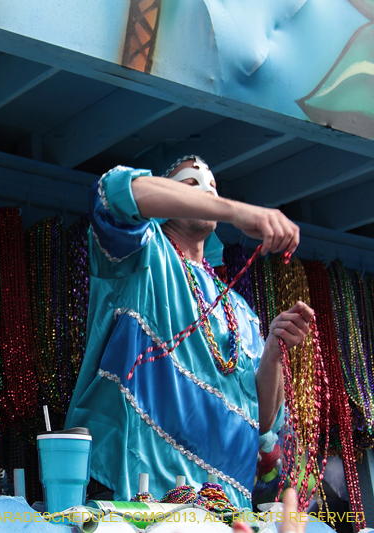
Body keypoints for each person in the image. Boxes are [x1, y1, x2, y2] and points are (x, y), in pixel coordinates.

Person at [65, 156, 313, 509]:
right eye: (190, 184)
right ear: (168, 201)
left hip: (226, 506)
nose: (206, 191)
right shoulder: (142, 253)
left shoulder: (241, 311)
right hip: (136, 492)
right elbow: (116, 192)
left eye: (212, 186)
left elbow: (262, 420)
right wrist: (238, 211)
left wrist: (275, 346)